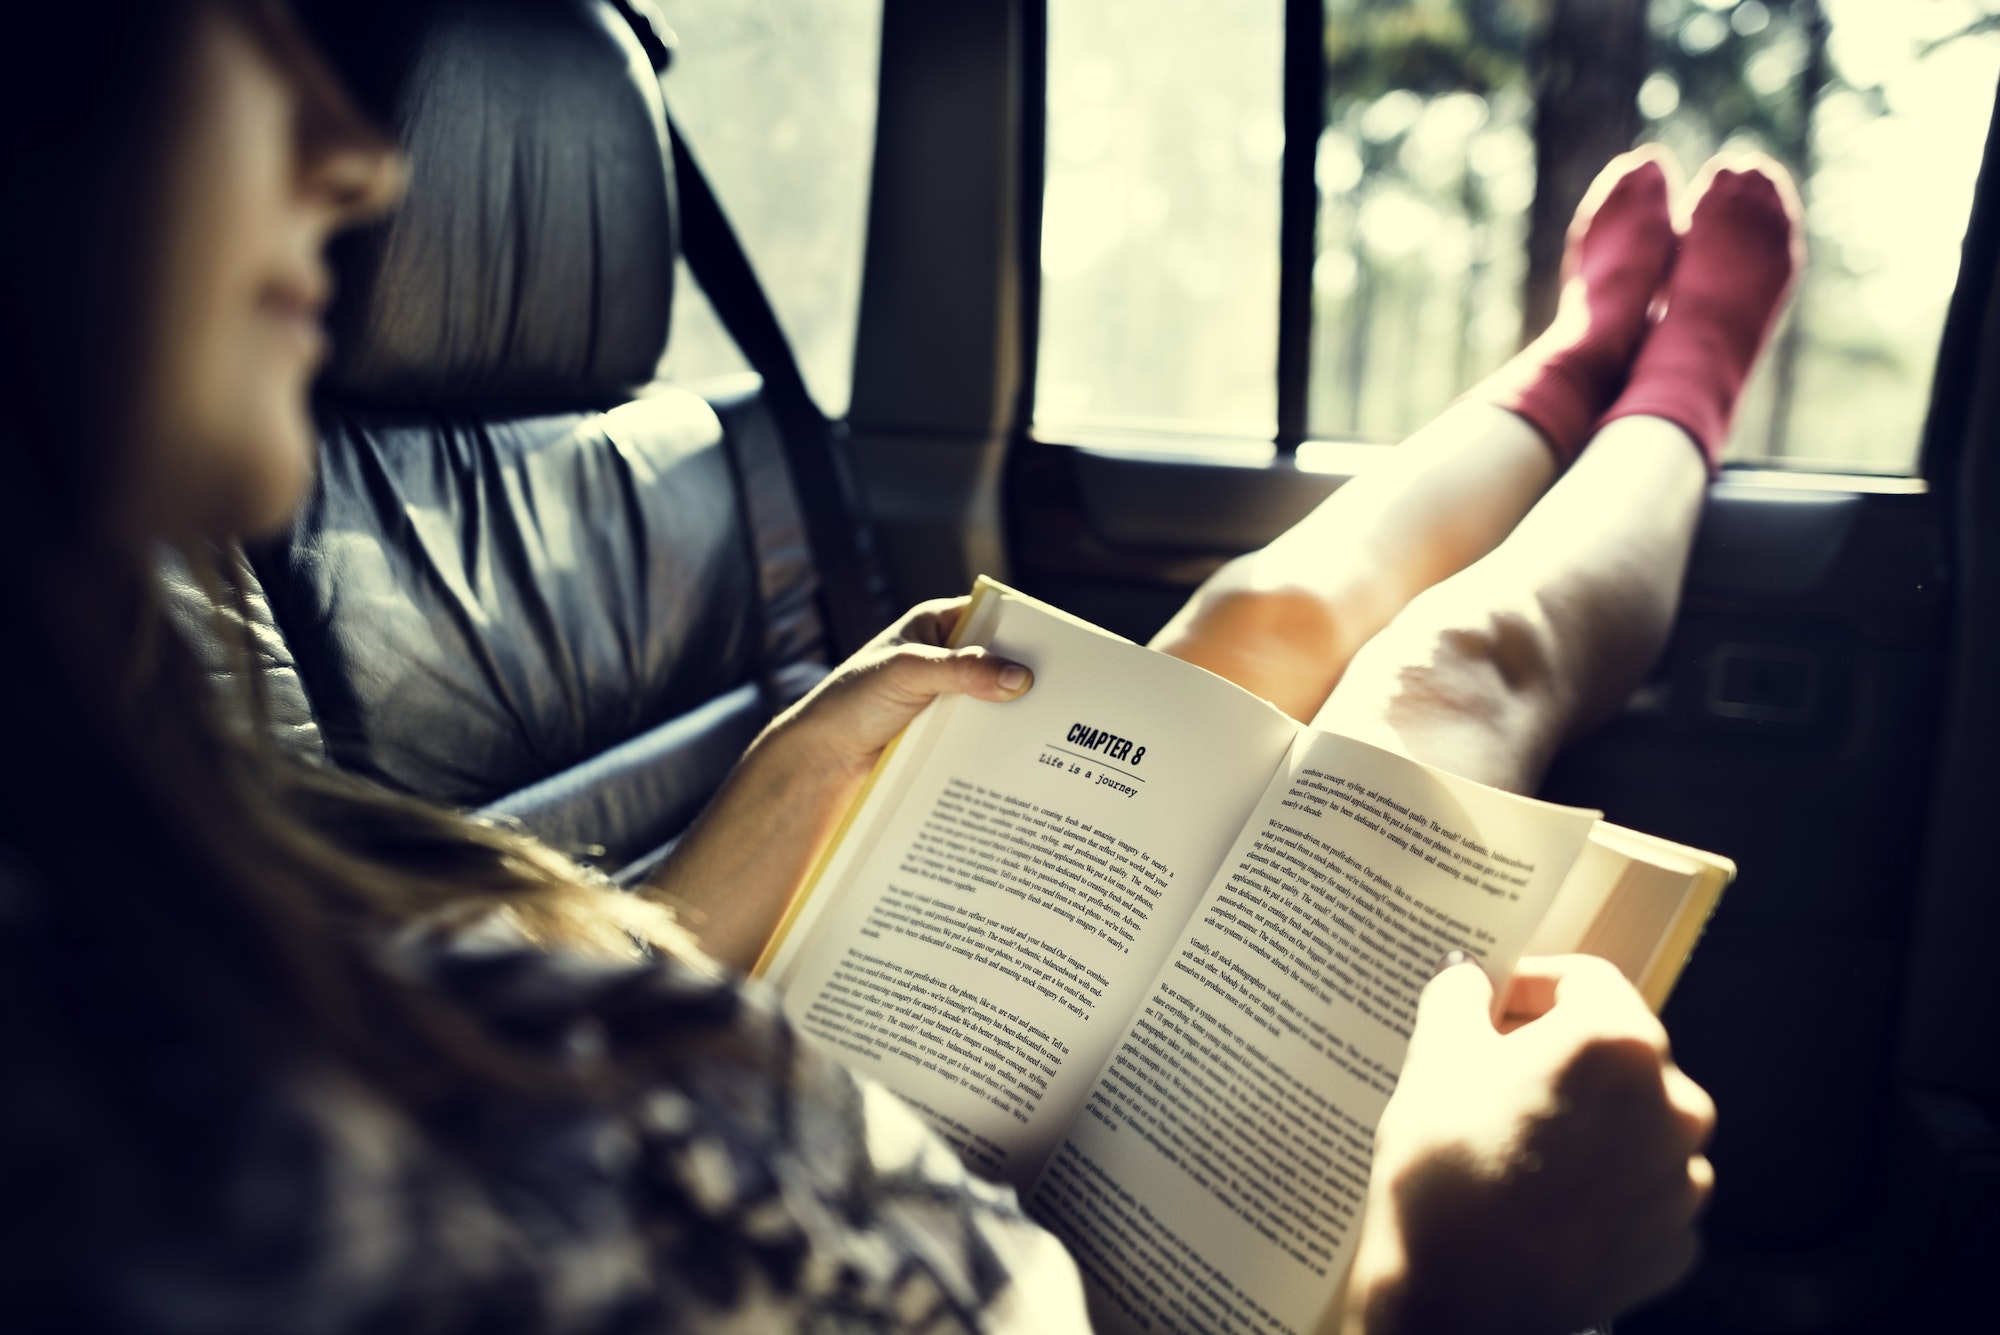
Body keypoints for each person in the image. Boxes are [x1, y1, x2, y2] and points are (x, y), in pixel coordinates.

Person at [0, 0, 1794, 1329]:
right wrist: (1447, 1294)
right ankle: (1674, 393)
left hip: (891, 1094)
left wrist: (730, 850)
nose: (365, 158)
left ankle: (1565, 373)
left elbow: (473, 1042)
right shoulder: (138, 1194)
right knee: (1453, 683)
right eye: (224, 36)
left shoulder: (148, 846)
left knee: (1253, 623)